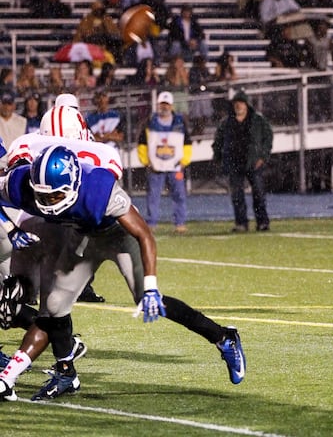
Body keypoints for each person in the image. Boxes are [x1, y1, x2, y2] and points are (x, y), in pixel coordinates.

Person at [0, 145, 246, 401]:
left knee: (147, 298)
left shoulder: (99, 191)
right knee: (54, 304)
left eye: (54, 196)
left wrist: (151, 284)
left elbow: (144, 234)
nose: (46, 202)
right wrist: (10, 227)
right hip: (82, 235)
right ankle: (63, 374)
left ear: (73, 184)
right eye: (42, 195)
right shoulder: (23, 184)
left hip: (119, 235)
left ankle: (223, 337)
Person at [212, 91, 272, 232]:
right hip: (234, 162)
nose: (238, 105)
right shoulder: (226, 122)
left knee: (258, 193)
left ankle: (262, 222)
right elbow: (218, 141)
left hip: (253, 161)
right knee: (237, 195)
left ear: (246, 105)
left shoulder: (257, 120)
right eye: (236, 103)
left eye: (241, 102)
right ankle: (241, 223)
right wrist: (218, 158)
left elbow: (268, 138)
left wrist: (263, 157)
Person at [137, 91, 192, 233]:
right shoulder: (150, 122)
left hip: (175, 167)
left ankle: (180, 223)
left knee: (179, 195)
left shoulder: (180, 122)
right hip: (155, 167)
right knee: (153, 196)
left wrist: (184, 161)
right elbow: (142, 143)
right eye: (162, 104)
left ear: (171, 105)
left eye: (167, 104)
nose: (164, 107)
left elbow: (187, 143)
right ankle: (151, 223)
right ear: (158, 105)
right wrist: (146, 162)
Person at [0, 91, 27, 162]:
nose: (6, 107)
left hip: (15, 162)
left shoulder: (22, 121)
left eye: (9, 104)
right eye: (4, 104)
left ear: (14, 106)